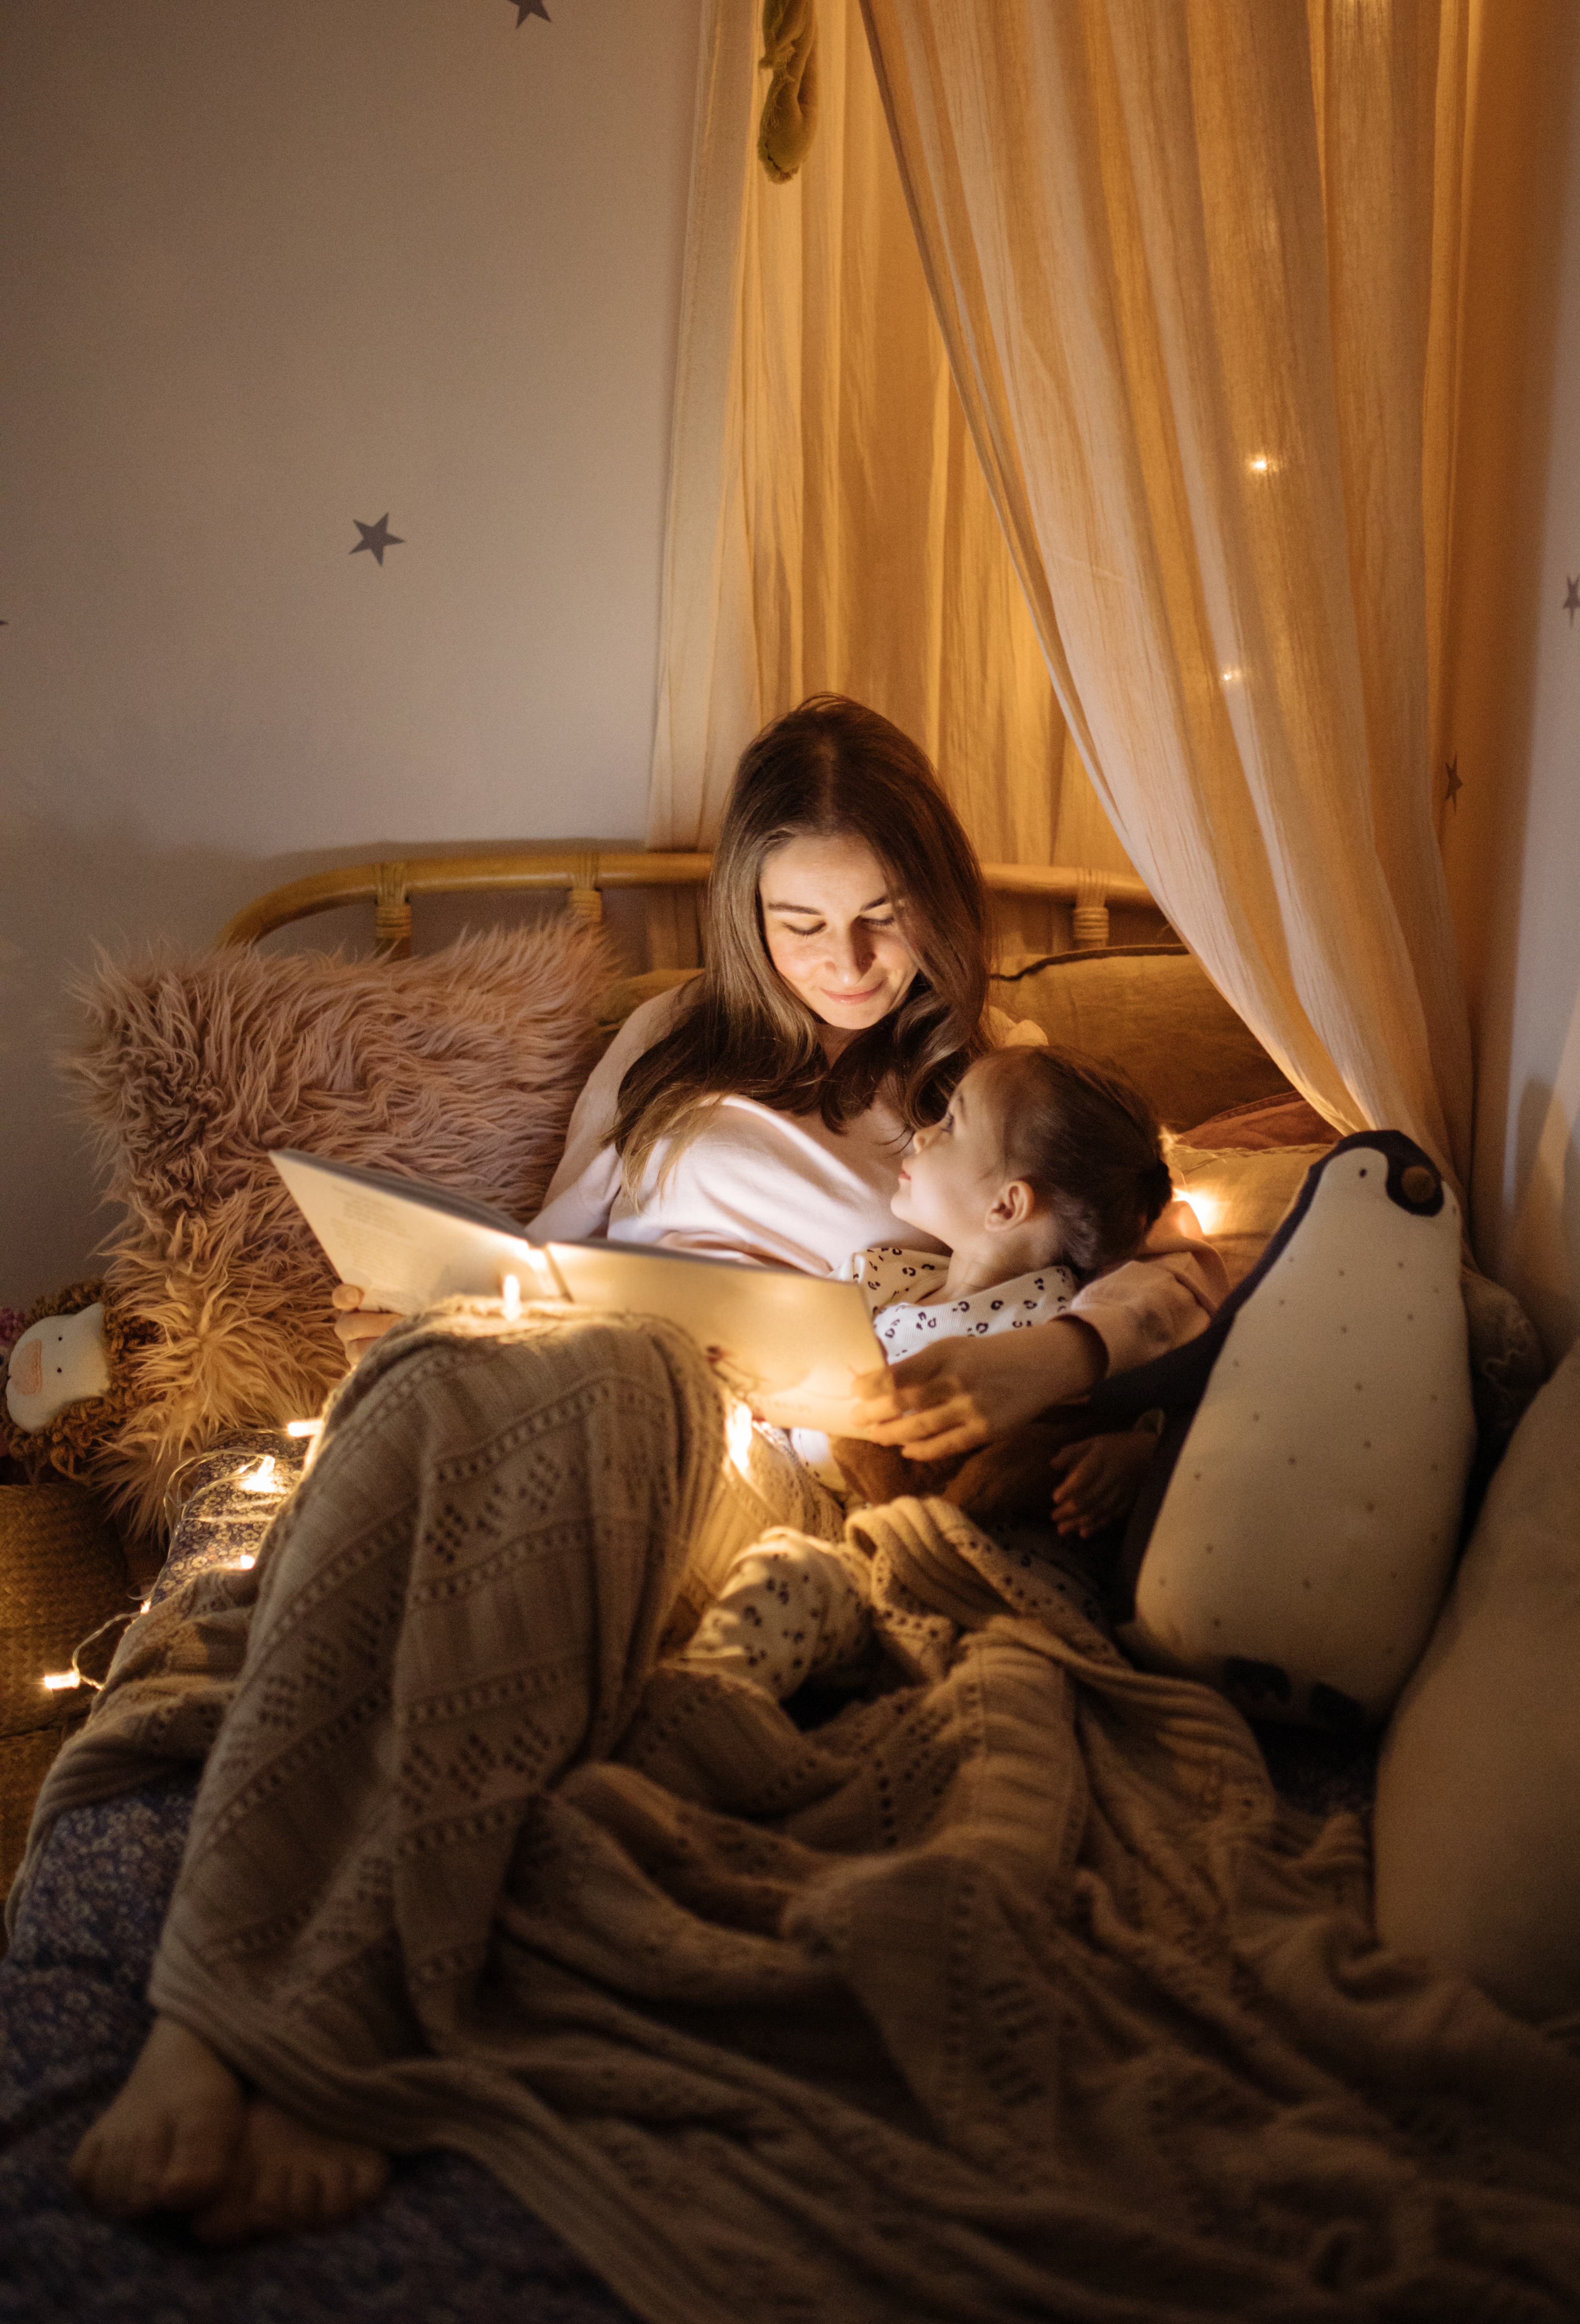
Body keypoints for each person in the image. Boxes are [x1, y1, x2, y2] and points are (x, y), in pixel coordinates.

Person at [71, 695, 1223, 2243]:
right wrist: (413, 1303)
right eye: (802, 920)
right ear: (746, 912)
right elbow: (543, 1256)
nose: (850, 964)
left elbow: (1188, 1272)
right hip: (540, 1358)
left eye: (885, 919)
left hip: (744, 1442)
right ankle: (207, 2027)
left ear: (939, 906)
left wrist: (1064, 1358)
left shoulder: (1004, 1092)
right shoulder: (667, 1042)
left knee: (607, 1375)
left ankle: (287, 2023)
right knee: (440, 1387)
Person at [675, 1042, 1189, 1700]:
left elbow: (1168, 1401)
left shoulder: (1066, 1316)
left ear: (1006, 1206)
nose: (921, 1131)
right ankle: (707, 1710)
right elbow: (776, 1361)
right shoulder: (880, 1275)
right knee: (780, 1574)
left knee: (1006, 1677)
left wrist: (1137, 1454)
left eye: (950, 1124)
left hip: (988, 1577)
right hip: (847, 1542)